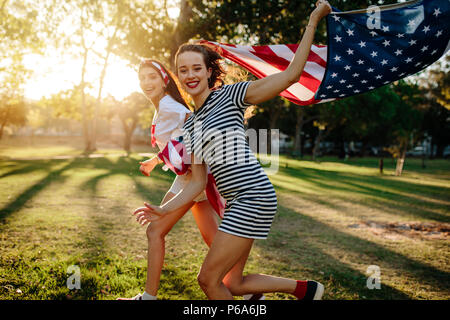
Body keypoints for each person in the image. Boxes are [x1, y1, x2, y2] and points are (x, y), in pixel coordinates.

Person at [134, 1, 332, 300]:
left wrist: (314, 20)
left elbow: (291, 75)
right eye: (183, 69)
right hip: (237, 202)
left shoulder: (231, 95)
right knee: (234, 284)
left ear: (209, 70)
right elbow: (198, 184)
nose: (190, 75)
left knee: (208, 280)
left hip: (253, 197)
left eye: (196, 68)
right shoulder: (191, 125)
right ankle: (306, 290)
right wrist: (163, 208)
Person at [120, 59, 263, 300]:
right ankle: (248, 293)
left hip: (192, 180)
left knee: (155, 231)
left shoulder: (169, 106)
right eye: (142, 77)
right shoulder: (163, 105)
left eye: (152, 77)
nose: (146, 82)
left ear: (165, 80)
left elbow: (194, 124)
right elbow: (179, 139)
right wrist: (156, 160)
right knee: (213, 238)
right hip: (194, 178)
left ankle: (148, 297)